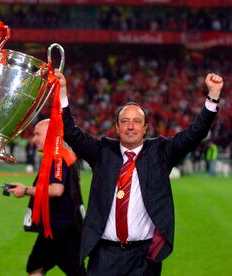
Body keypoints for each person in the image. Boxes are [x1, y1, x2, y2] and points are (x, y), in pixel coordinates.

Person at [59, 70, 223, 275]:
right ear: (117, 128)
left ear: (145, 128)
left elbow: (195, 133)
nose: (130, 127)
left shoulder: (160, 152)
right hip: (104, 255)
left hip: (143, 258)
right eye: (124, 122)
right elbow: (70, 132)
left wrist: (213, 95)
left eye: (136, 121)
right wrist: (62, 92)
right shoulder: (102, 152)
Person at [8, 119, 86, 276]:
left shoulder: (57, 158)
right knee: (35, 267)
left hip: (63, 230)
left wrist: (26, 190)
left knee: (75, 272)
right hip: (54, 228)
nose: (33, 138)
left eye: (38, 134)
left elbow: (57, 190)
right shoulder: (58, 156)